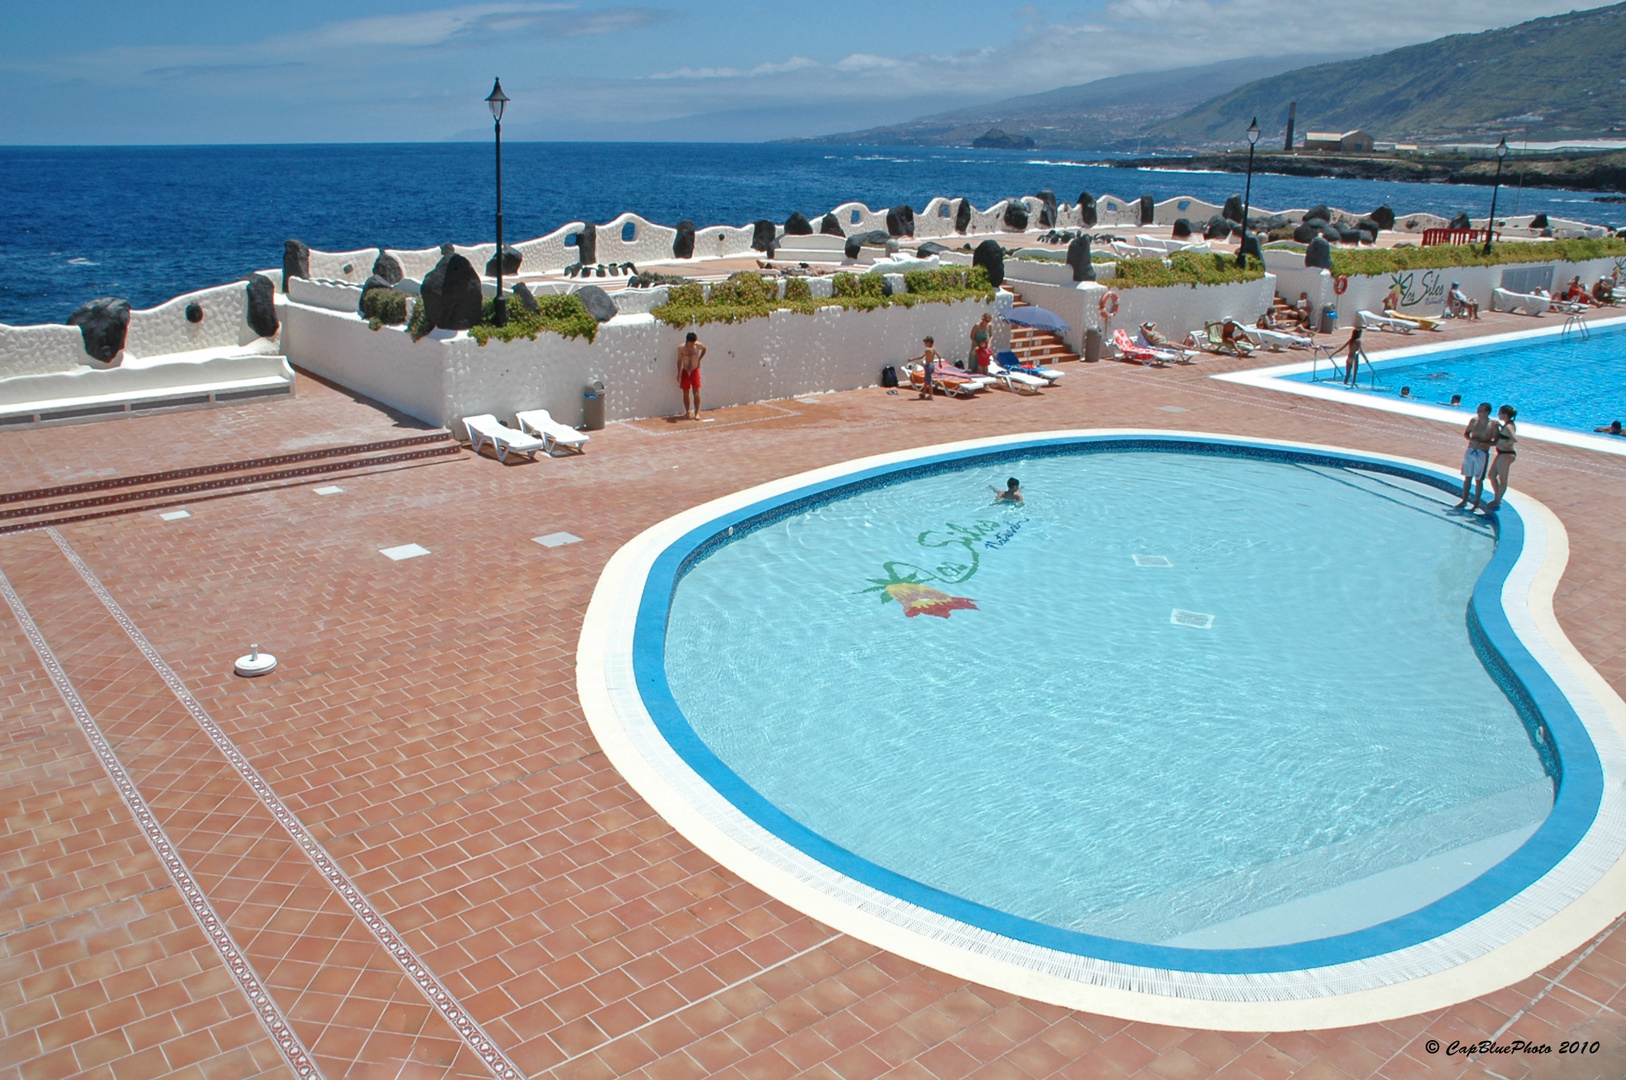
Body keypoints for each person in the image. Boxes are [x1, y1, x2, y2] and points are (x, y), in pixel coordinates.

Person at [1454, 402, 1500, 510]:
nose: (1478, 412)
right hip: (1471, 450)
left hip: (1482, 453)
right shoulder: (1474, 421)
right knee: (1467, 477)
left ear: (1487, 412)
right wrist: (1471, 439)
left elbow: (1496, 441)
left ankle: (1476, 503)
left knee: (1478, 479)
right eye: (1478, 410)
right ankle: (1464, 500)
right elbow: (1466, 433)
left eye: (1481, 411)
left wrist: (1486, 444)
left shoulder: (1492, 425)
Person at [1484, 405, 1517, 511]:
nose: (1498, 415)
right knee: (1492, 475)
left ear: (1505, 415)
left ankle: (1497, 500)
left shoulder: (1508, 426)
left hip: (1506, 454)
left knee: (1502, 479)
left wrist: (1508, 444)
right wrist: (1499, 427)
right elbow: (1505, 435)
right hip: (1502, 453)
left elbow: (1513, 439)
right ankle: (1497, 498)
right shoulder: (1507, 425)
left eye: (1500, 413)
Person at [678, 331, 706, 420]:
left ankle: (697, 412)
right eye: (692, 342)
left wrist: (699, 359)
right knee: (685, 393)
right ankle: (687, 411)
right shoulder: (681, 348)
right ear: (688, 341)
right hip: (686, 371)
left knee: (696, 392)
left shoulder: (697, 345)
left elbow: (704, 349)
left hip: (694, 370)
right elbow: (679, 360)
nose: (693, 344)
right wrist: (678, 373)